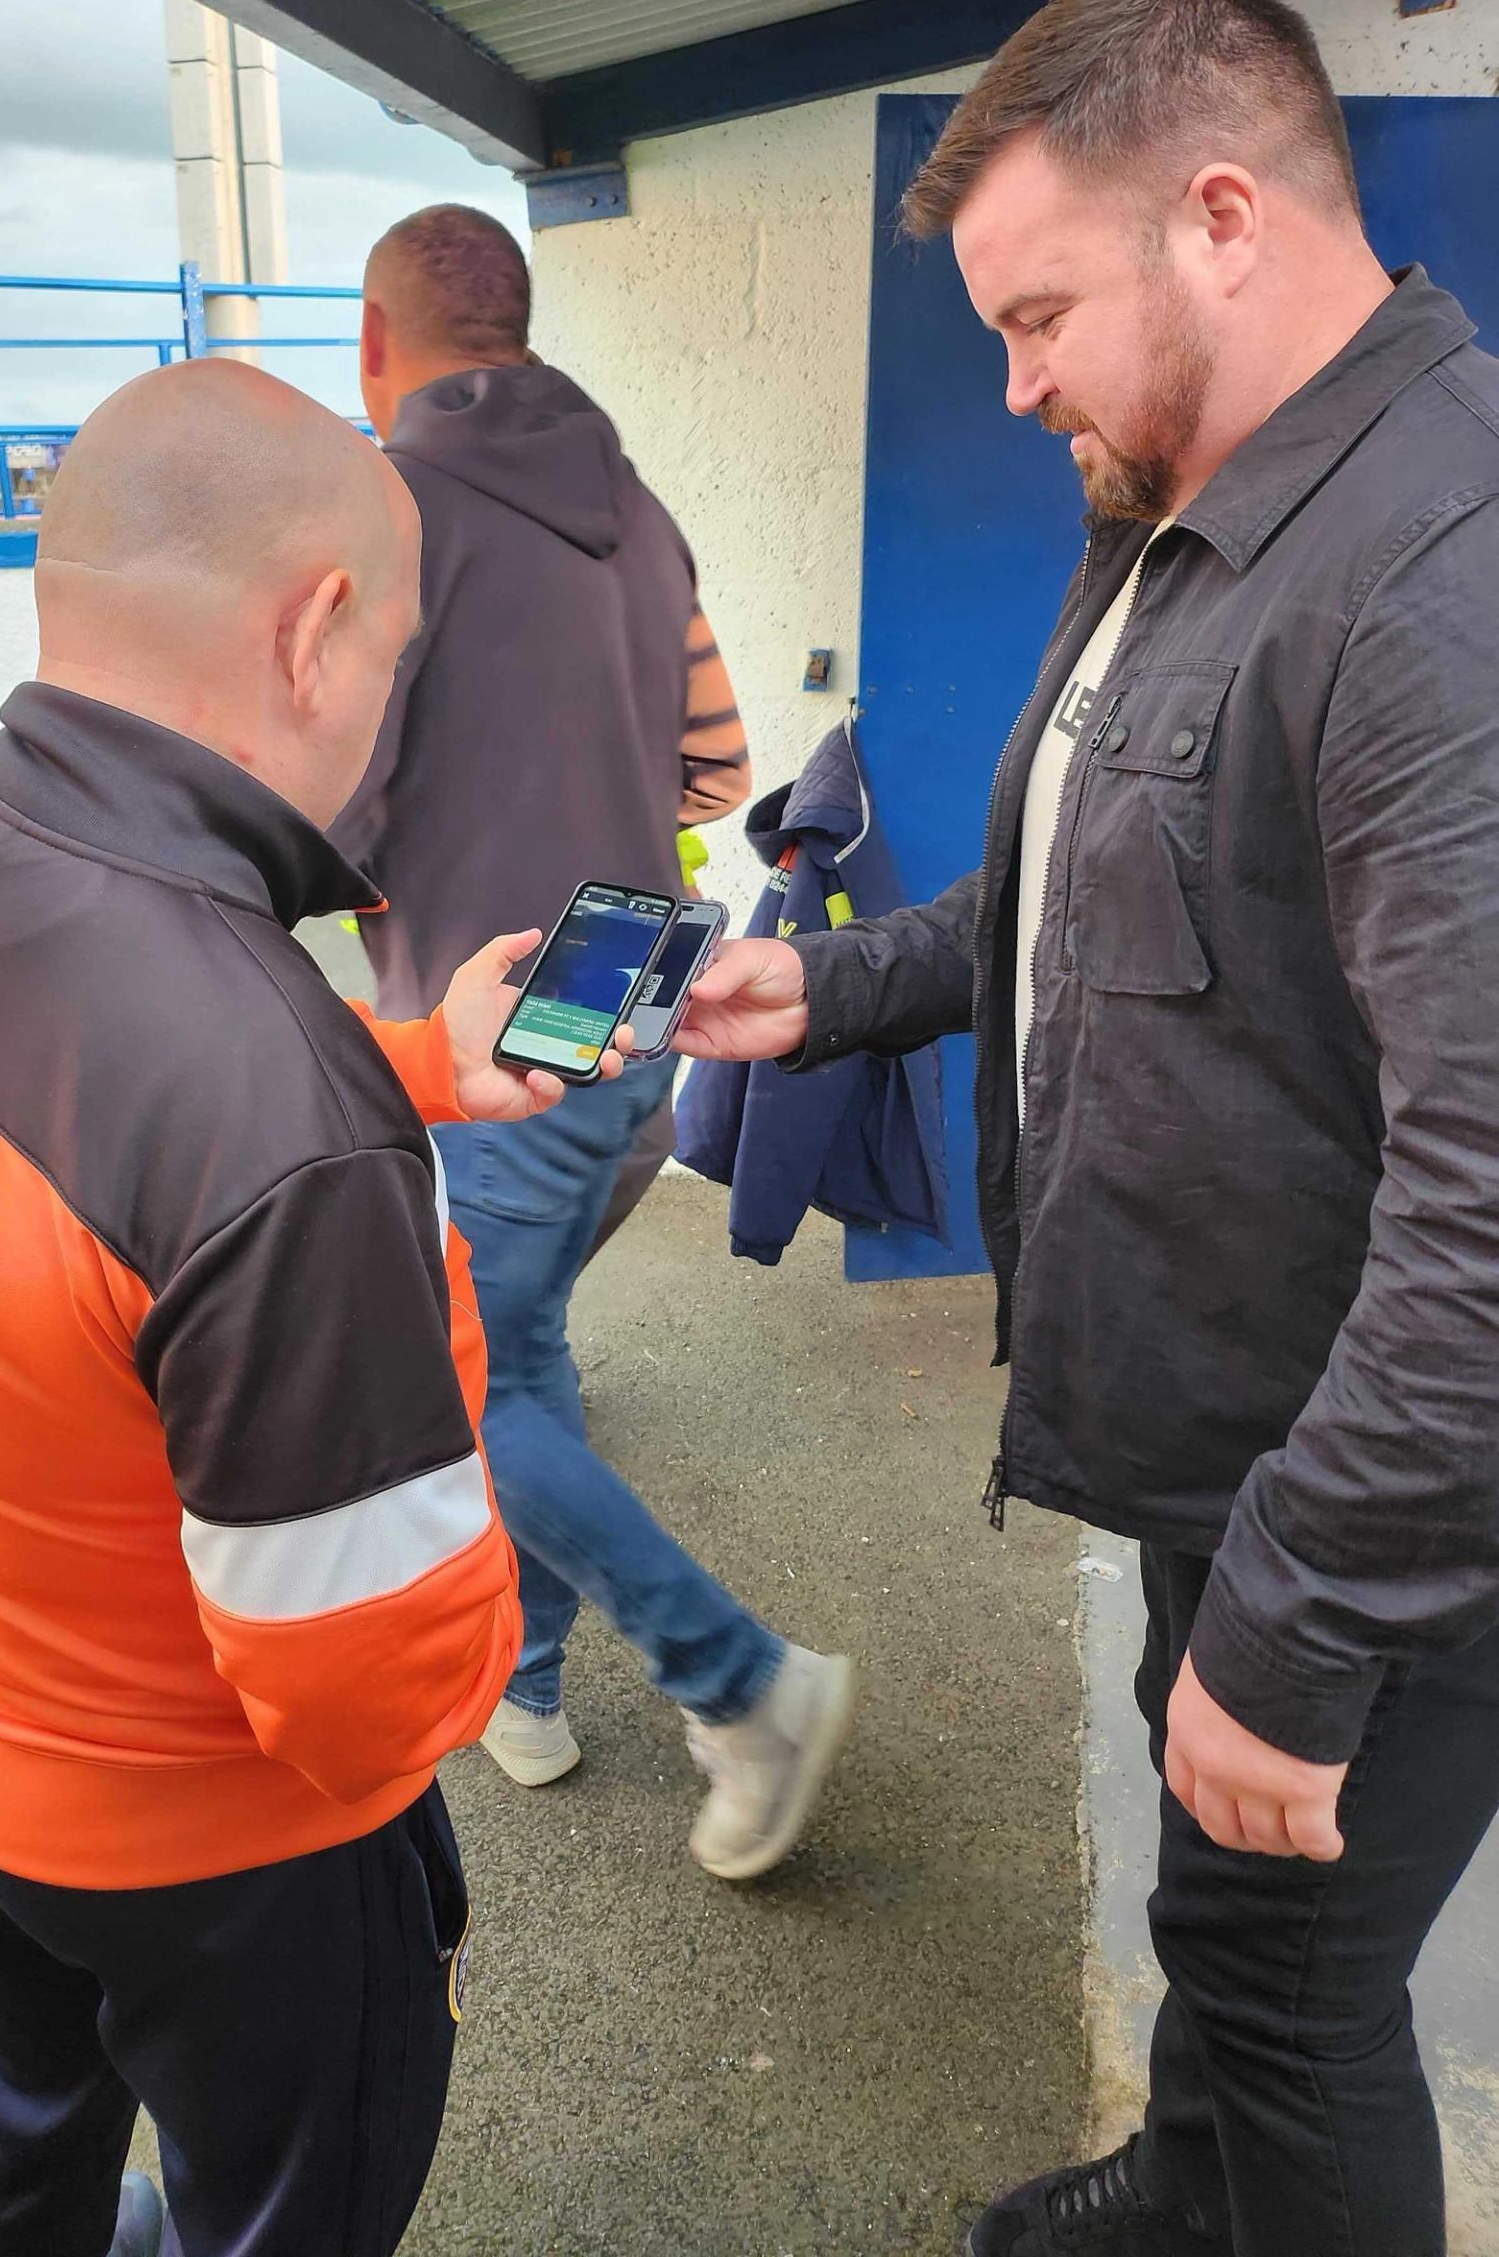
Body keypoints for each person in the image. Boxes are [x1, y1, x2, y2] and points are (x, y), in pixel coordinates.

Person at [679, 0, 1499, 2257]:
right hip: (1214, 1432)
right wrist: (817, 989)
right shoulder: (1175, 500)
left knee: (1314, 1980)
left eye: (1039, 316)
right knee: (1227, 1920)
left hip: (1367, 1497)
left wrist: (1300, 1613)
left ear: (1223, 217)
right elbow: (1062, 906)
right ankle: (1194, 2182)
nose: (1021, 382)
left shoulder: (1442, 576)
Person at [0, 356, 596, 2257]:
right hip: (203, 1846)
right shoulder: (266, 1105)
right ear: (314, 631)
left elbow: (68, 1162)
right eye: (393, 660)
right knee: (286, 2204)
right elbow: (366, 1683)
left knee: (20, 2125)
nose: (386, 721)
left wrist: (413, 1069)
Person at [334, 203, 855, 1881]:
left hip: (502, 1012)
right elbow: (715, 766)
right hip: (636, 987)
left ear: (375, 346)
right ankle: (531, 1681)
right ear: (522, 325)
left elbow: (330, 801)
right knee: (525, 1346)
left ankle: (742, 1683)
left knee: (461, 1383)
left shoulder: (389, 511)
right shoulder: (633, 507)